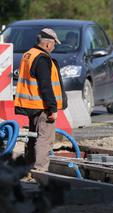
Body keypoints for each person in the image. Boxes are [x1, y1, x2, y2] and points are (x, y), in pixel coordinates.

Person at [14, 28, 67, 172]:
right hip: (42, 106)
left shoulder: (28, 55)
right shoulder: (42, 58)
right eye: (54, 44)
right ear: (48, 44)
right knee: (45, 139)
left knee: (33, 138)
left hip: (31, 104)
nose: (54, 47)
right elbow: (46, 86)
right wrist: (52, 108)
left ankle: (27, 169)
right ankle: (40, 172)